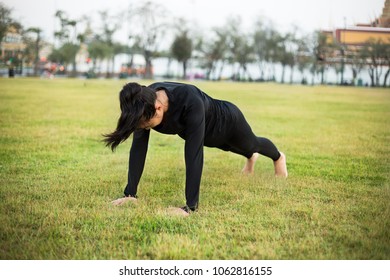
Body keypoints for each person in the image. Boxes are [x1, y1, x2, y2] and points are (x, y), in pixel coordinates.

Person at [104, 81, 287, 216]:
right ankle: (250, 159)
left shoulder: (189, 99)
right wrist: (130, 193)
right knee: (226, 147)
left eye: (146, 125)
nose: (145, 128)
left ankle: (278, 157)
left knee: (251, 144)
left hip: (228, 122)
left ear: (158, 108)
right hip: (207, 134)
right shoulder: (144, 101)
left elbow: (193, 154)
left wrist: (189, 207)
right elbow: (138, 148)